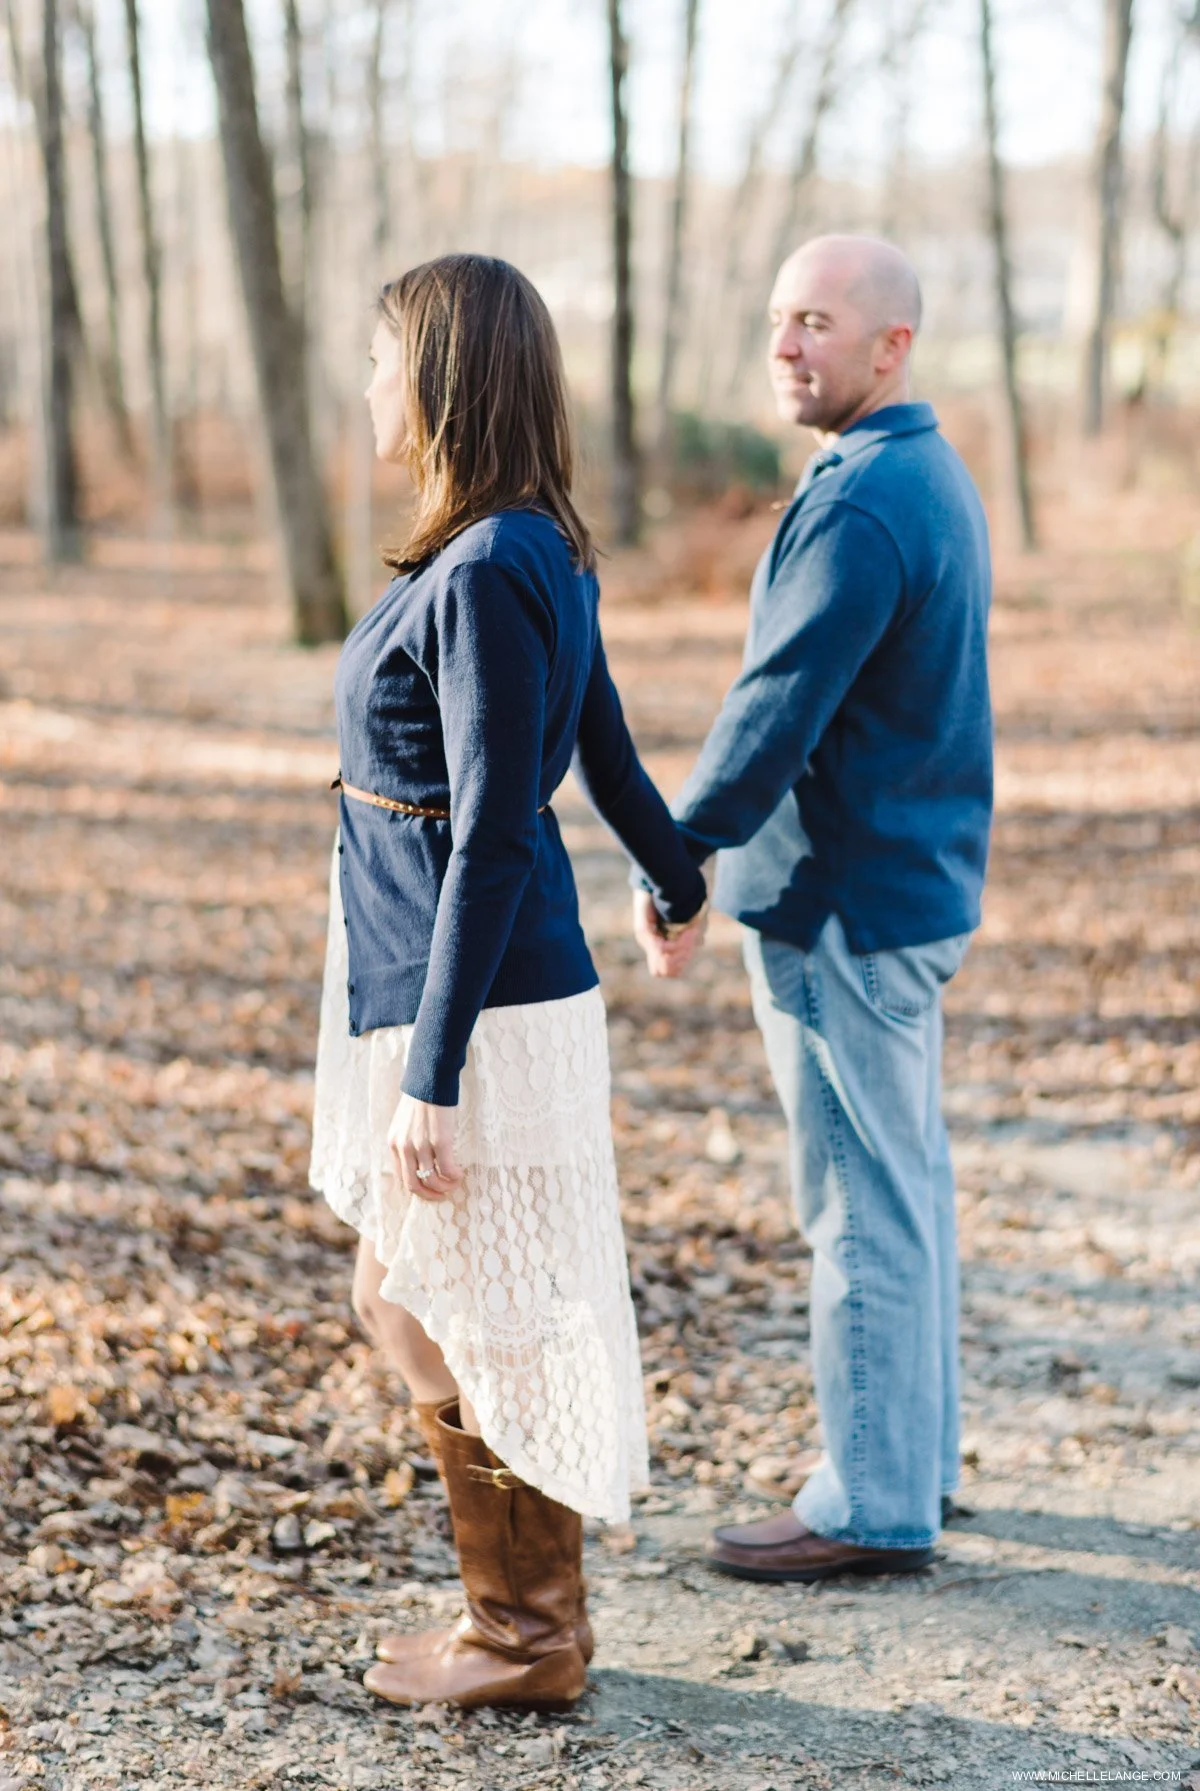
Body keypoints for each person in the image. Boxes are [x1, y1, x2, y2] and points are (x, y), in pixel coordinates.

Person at [309, 253, 707, 1708]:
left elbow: (493, 822)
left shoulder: (488, 567)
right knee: (414, 1292)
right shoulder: (523, 545)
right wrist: (677, 873)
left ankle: (530, 1633)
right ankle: (525, 1619)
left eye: (380, 359)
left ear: (441, 381)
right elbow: (600, 744)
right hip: (434, 968)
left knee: (461, 1300)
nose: (366, 386)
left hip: (471, 994)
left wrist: (430, 1072)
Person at [635, 234, 993, 1581]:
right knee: (902, 1186)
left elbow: (772, 707)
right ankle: (915, 1464)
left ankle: (872, 1498)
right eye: (781, 318)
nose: (787, 345)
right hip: (899, 887)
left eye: (820, 323)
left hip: (847, 902)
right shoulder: (918, 475)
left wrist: (680, 855)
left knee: (857, 1199)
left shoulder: (865, 501)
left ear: (891, 346)